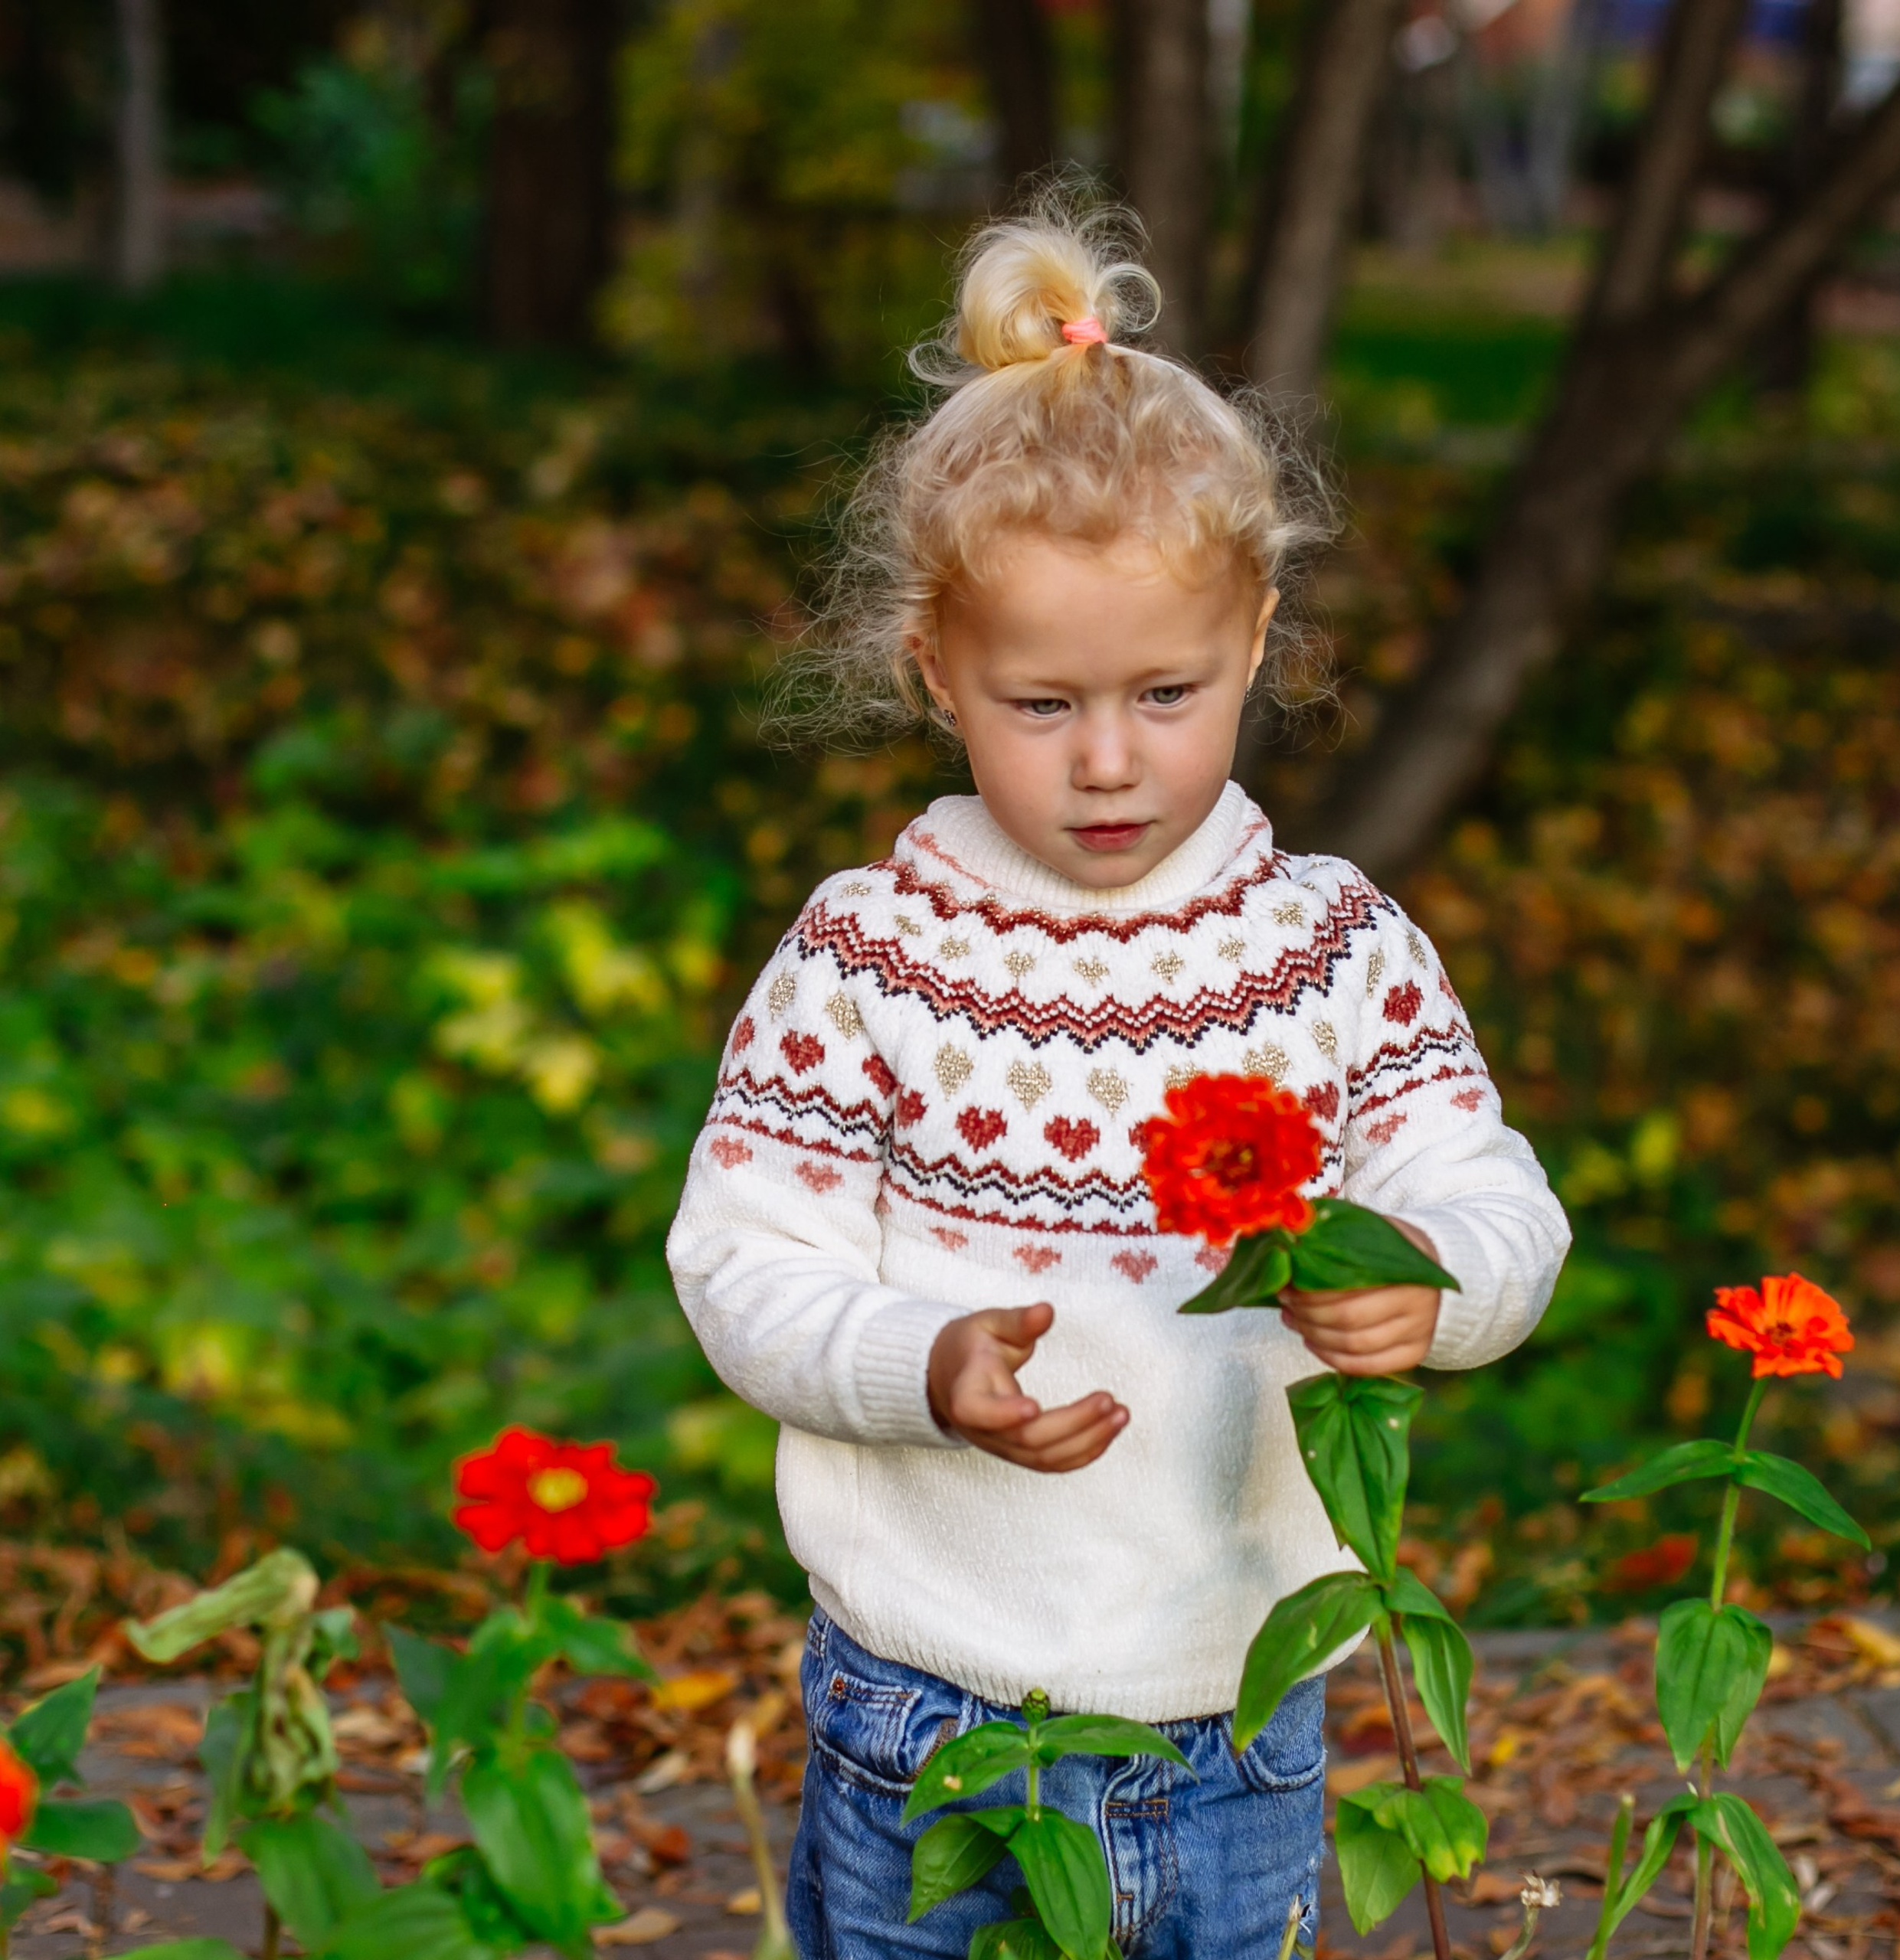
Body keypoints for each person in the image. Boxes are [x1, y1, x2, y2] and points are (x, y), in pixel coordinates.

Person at [666, 199, 1570, 1959]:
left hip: (1244, 1694)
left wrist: (1433, 1283)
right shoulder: (872, 957)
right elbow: (738, 1256)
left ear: (1251, 641)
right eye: (1037, 701)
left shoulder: (1323, 949)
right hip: (935, 1707)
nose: (1104, 759)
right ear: (936, 670)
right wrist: (916, 1359)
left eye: (1162, 690)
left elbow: (1488, 1190)